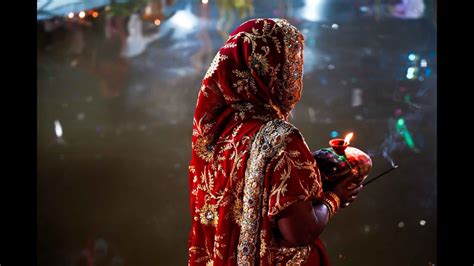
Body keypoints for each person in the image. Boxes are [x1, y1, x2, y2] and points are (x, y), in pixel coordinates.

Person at [187, 18, 363, 265]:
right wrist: (334, 197)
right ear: (272, 70)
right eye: (291, 64)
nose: (296, 74)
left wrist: (307, 174)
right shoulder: (281, 139)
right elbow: (299, 232)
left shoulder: (217, 133)